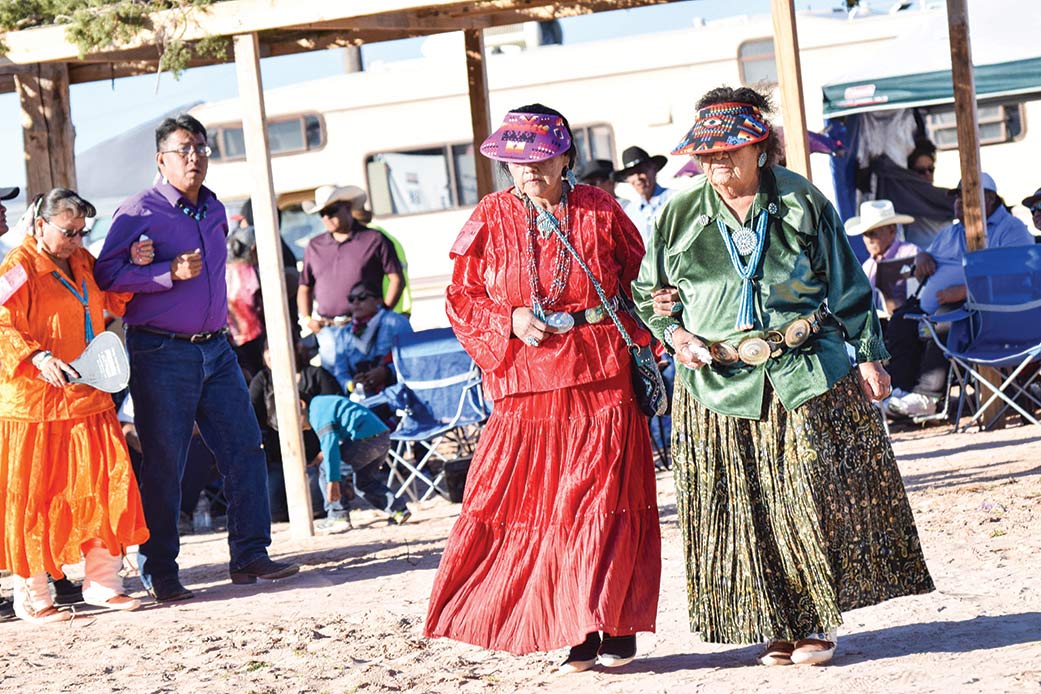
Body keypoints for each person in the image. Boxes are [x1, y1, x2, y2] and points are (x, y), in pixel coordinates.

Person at [633, 87, 933, 667]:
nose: (719, 164)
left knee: (806, 494)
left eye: (731, 152)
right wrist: (677, 336)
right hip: (716, 382)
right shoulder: (679, 213)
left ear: (760, 148)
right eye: (707, 155)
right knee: (745, 504)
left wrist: (869, 353)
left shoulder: (801, 199)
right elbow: (649, 292)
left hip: (802, 368)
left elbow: (847, 283)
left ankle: (814, 621)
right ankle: (775, 624)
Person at [425, 104, 661, 671]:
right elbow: (461, 296)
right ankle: (576, 624)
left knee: (602, 503)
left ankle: (615, 621)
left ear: (564, 157)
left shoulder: (602, 209)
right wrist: (506, 319)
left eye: (538, 157)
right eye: (515, 159)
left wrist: (663, 333)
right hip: (525, 386)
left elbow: (644, 281)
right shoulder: (489, 215)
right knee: (546, 506)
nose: (527, 169)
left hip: (600, 378)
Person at [94, 114, 299, 602]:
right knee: (167, 461)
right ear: (161, 159)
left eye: (202, 149)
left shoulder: (214, 208)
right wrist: (165, 272)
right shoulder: (137, 211)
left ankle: (250, 555)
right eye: (184, 149)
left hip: (217, 347)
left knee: (245, 448)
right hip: (161, 350)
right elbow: (105, 277)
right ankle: (160, 570)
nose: (195, 158)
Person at [0, 188, 149, 623]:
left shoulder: (82, 261)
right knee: (33, 499)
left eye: (82, 232)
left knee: (104, 486)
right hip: (35, 403)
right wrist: (37, 356)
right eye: (68, 232)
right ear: (40, 224)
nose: (76, 241)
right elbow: (2, 322)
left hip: (87, 393)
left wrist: (134, 269)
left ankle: (104, 583)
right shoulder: (18, 267)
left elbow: (105, 302)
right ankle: (32, 595)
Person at [885, 173, 1034, 416]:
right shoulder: (949, 233)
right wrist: (922, 258)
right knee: (900, 322)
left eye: (963, 196)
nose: (957, 202)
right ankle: (900, 392)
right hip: (935, 305)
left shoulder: (1012, 230)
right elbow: (927, 257)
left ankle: (928, 396)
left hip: (988, 311)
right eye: (956, 197)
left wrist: (967, 292)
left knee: (946, 320)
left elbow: (1019, 278)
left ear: (988, 199)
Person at [297, 185, 404, 381]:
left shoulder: (374, 239)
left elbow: (396, 278)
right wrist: (306, 319)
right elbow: (304, 287)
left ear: (347, 207)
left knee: (374, 380)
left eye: (331, 211)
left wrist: (383, 312)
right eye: (321, 213)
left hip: (369, 329)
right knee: (338, 383)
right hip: (328, 329)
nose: (326, 218)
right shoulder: (314, 246)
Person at [249, 340, 341, 522]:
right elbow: (249, 414)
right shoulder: (262, 379)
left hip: (316, 457)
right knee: (275, 511)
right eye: (268, 352)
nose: (272, 357)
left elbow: (336, 414)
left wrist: (324, 454)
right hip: (277, 458)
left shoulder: (316, 375)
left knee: (315, 506)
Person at [303, 393, 410, 532]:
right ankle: (398, 510)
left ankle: (338, 516)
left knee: (325, 469)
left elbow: (331, 447)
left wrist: (332, 480)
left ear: (301, 404)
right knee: (364, 482)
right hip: (382, 437)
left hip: (365, 440)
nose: (301, 429)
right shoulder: (321, 403)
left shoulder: (317, 413)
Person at [324, 281, 413, 395]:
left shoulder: (396, 322)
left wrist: (387, 371)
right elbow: (340, 371)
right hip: (361, 397)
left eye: (362, 297)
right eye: (351, 299)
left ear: (378, 300)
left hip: (396, 391)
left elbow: (411, 360)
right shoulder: (344, 333)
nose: (356, 302)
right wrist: (352, 384)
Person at [843, 199, 918, 316]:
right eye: (865, 234)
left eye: (873, 233)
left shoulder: (911, 253)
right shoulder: (868, 266)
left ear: (892, 231)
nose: (868, 240)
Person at [615, 145, 674, 246]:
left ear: (654, 169)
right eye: (631, 173)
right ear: (627, 179)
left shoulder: (675, 200)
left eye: (642, 170)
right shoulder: (629, 212)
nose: (637, 178)